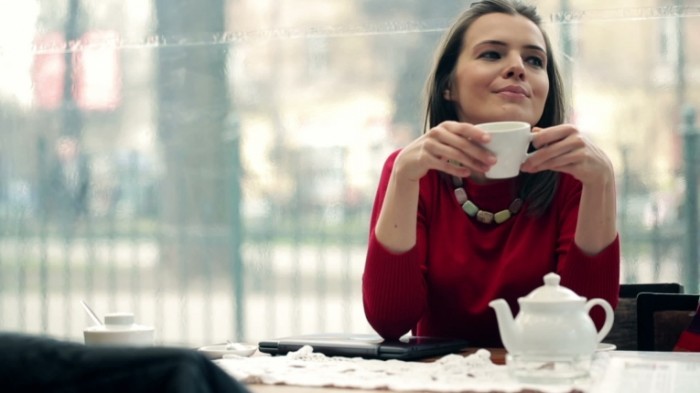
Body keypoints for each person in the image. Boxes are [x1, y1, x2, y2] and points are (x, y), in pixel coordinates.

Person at [363, 0, 620, 347]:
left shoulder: (578, 175)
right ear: (448, 86)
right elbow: (390, 322)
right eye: (492, 54)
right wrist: (405, 178)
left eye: (534, 60)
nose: (518, 68)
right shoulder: (411, 170)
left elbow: (586, 323)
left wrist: (602, 184)